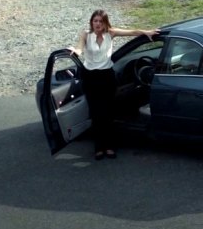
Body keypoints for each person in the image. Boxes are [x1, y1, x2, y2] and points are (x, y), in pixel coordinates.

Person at [68, 9, 159, 160]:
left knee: (108, 113)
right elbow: (79, 48)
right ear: (92, 22)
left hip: (106, 77)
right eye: (95, 21)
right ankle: (99, 147)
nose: (97, 24)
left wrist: (147, 32)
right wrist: (75, 51)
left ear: (105, 23)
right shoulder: (85, 34)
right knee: (96, 113)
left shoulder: (111, 33)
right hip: (90, 78)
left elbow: (132, 32)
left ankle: (109, 146)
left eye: (100, 21)